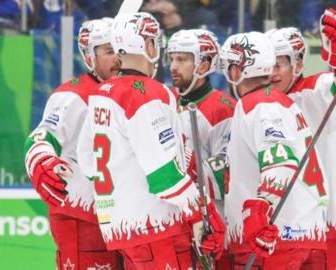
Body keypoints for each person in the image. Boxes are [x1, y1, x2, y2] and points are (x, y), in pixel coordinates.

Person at [79, 12, 226, 269]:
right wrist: (202, 212)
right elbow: (164, 175)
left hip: (119, 228)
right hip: (156, 228)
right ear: (148, 46)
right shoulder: (148, 94)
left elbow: (88, 163)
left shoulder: (101, 93)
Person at [265, 8, 336, 270]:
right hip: (271, 231)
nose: (271, 73)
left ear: (298, 64)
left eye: (279, 64)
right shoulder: (253, 103)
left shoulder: (318, 91)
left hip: (322, 230)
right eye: (267, 64)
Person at [221, 31, 329, 269]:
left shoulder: (259, 105)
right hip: (306, 235)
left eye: (228, 67)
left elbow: (281, 163)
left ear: (237, 71)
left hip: (274, 241)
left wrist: (259, 209)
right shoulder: (281, 102)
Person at [24, 18, 123, 270]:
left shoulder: (128, 92)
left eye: (121, 50)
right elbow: (43, 136)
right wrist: (42, 159)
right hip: (81, 218)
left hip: (124, 220)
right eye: (109, 52)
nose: (118, 59)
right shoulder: (73, 95)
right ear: (90, 57)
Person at [166, 28, 236, 268]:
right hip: (176, 221)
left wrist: (190, 173)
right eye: (172, 58)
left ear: (204, 65)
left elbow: (230, 172)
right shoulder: (166, 102)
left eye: (182, 59)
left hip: (211, 225)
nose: (173, 66)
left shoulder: (222, 107)